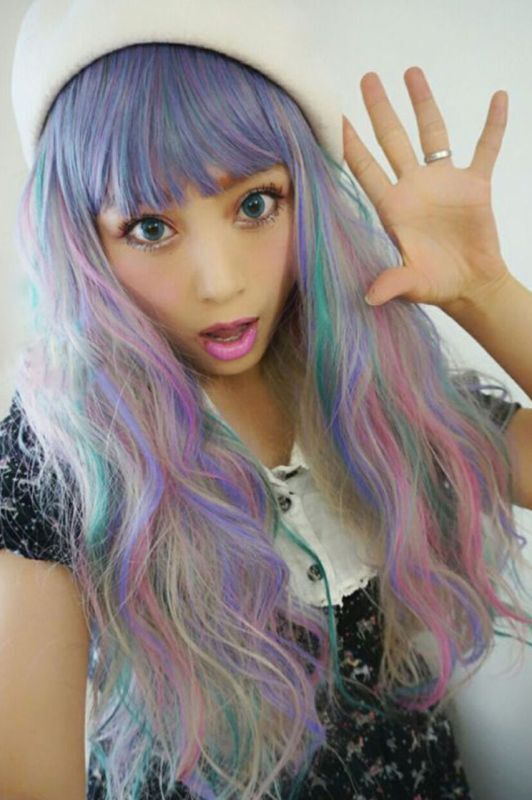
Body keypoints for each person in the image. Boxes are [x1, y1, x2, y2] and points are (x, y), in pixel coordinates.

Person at [1, 2, 531, 799]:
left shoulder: (371, 385)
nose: (220, 283)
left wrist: (486, 293)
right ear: (81, 241)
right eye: (150, 228)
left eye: (255, 205)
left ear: (304, 198)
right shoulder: (62, 451)